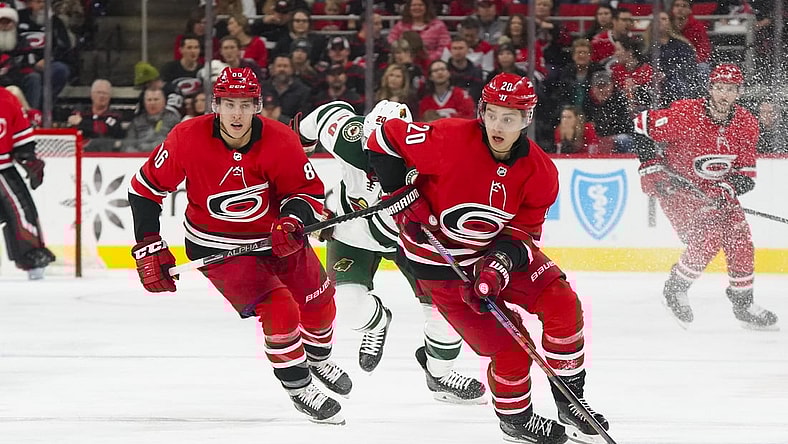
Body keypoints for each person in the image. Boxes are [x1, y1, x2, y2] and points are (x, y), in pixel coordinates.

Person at [366, 73, 609, 444]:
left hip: (495, 255)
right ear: (482, 110)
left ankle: (570, 400)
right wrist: (400, 193)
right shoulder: (447, 137)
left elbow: (522, 234)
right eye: (492, 114)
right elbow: (380, 136)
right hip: (439, 264)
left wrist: (498, 265)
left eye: (509, 118)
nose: (498, 125)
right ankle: (516, 420)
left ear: (527, 118)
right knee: (511, 351)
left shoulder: (541, 172)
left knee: (563, 303)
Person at [128, 67, 351, 425]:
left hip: (278, 240)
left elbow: (306, 193)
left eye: (244, 105)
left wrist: (292, 221)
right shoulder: (187, 137)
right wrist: (149, 244)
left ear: (257, 107)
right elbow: (144, 190)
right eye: (228, 104)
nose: (236, 113)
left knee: (319, 303)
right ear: (215, 105)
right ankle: (299, 385)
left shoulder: (280, 140)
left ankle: (318, 358)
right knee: (280, 309)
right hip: (216, 245)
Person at [294, 99, 487, 405]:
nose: (376, 160)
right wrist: (300, 147)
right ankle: (377, 324)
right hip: (351, 231)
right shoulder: (348, 135)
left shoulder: (428, 161)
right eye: (371, 147)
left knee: (448, 314)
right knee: (348, 306)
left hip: (411, 240)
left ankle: (439, 373)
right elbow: (319, 117)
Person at [633, 64, 778, 331]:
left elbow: (745, 176)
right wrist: (650, 165)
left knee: (739, 237)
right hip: (679, 189)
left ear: (738, 92)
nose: (724, 94)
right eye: (720, 88)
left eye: (731, 89)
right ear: (710, 88)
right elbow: (639, 125)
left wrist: (728, 189)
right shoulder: (686, 114)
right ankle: (674, 288)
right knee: (708, 237)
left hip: (718, 191)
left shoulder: (746, 124)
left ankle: (743, 302)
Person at [0, 86, 55, 280]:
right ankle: (32, 259)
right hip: (4, 171)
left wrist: (29, 159)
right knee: (22, 211)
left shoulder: (7, 99)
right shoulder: (7, 98)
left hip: (3, 168)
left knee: (23, 212)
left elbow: (22, 140)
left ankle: (32, 259)